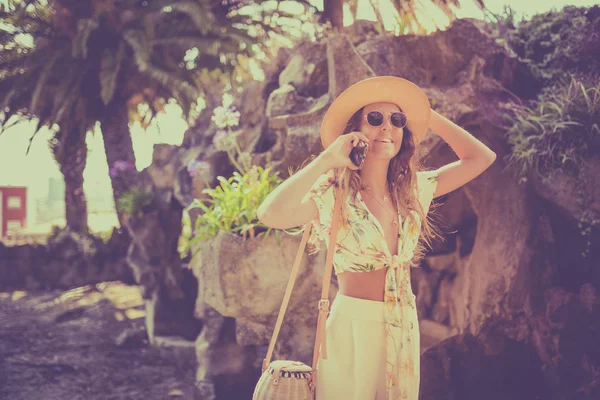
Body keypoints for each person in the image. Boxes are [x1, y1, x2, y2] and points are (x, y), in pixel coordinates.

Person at [257, 76, 496, 400]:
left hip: (403, 324)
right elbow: (270, 214)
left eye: (397, 120)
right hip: (352, 328)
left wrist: (427, 115)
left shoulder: (414, 190)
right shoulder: (333, 193)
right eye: (375, 119)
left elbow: (481, 158)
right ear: (355, 132)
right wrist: (328, 159)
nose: (387, 127)